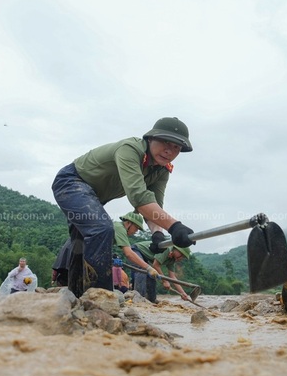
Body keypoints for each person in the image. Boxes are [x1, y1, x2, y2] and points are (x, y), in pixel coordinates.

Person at [51, 117, 196, 297]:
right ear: (150, 138)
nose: (169, 151)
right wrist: (175, 227)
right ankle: (100, 298)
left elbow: (154, 207)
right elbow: (138, 197)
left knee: (80, 243)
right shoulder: (130, 149)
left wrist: (157, 234)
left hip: (94, 198)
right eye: (165, 142)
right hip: (72, 182)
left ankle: (77, 296)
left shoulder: (161, 170)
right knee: (102, 229)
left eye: (176, 147)